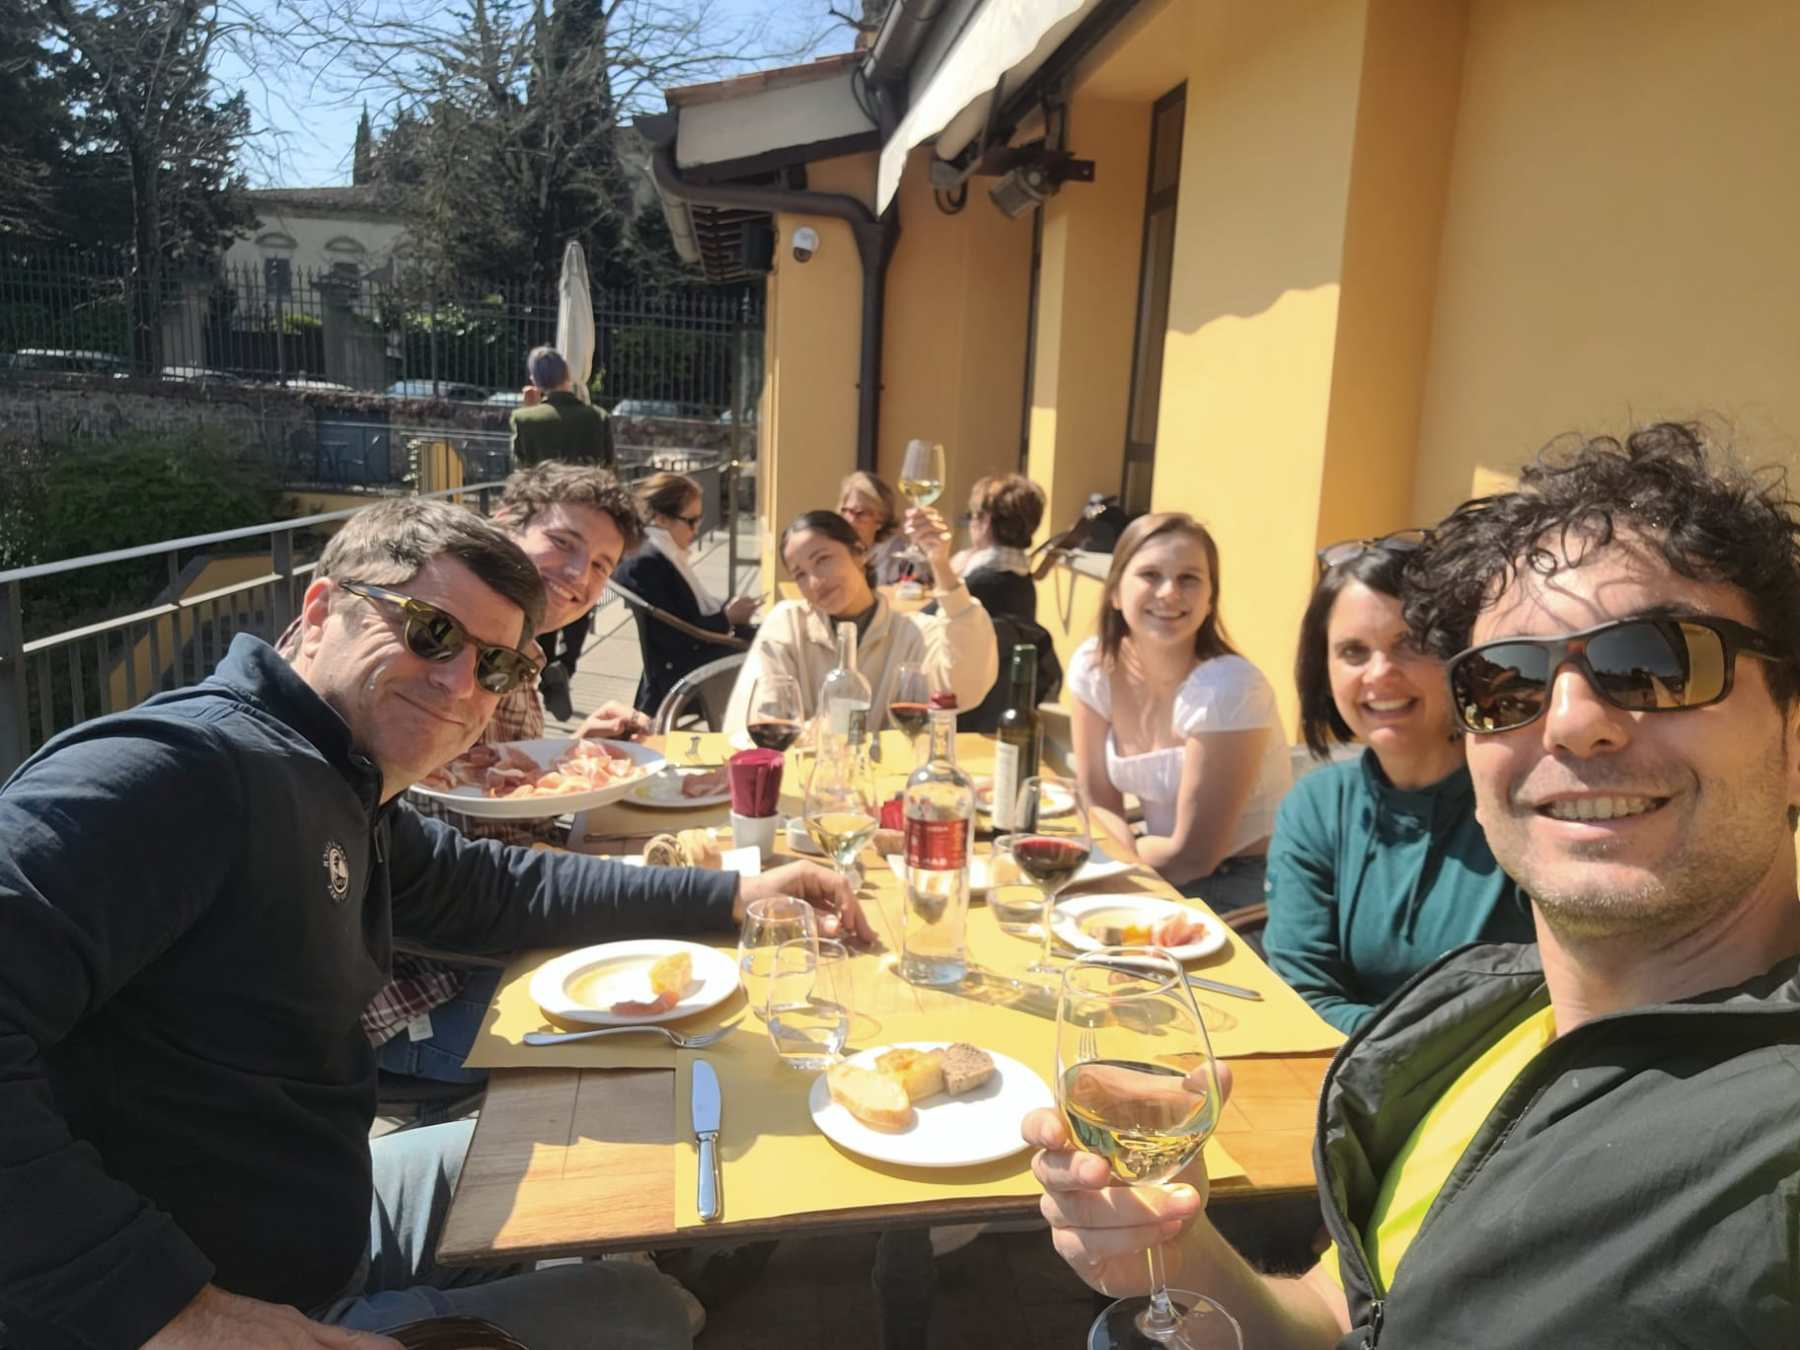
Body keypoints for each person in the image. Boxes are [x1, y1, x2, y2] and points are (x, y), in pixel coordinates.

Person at [0, 496, 871, 1348]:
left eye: (498, 667)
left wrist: (734, 897)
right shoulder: (182, 773)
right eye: (431, 632)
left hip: (320, 1213)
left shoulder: (337, 776)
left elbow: (497, 888)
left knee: (642, 1144)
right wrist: (177, 1315)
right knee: (646, 1311)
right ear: (321, 606)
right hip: (212, 1295)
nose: (460, 683)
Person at [1027, 423, 1800, 1348]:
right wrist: (1181, 1256)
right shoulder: (1468, 1031)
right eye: (1506, 683)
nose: (1573, 722)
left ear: (1794, 737)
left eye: (1657, 663)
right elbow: (1334, 1316)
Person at [359, 462, 653, 1084]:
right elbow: (448, 860)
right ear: (505, 527)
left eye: (601, 565)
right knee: (643, 1046)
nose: (578, 576)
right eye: (563, 543)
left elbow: (497, 793)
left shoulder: (524, 657)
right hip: (420, 992)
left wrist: (574, 753)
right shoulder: (440, 655)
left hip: (493, 933)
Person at [1262, 538, 1533, 1033]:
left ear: (1461, 657)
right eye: (1353, 652)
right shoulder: (1316, 807)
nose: (1380, 674)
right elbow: (1300, 992)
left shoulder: (1527, 804)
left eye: (1410, 644)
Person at [1067, 513, 1291, 908]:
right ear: (1116, 592)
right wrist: (1120, 859)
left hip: (1244, 887)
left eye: (1189, 578)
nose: (1170, 592)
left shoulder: (1229, 688)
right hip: (1152, 866)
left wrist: (1115, 865)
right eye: (1150, 575)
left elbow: (1194, 856)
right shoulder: (1094, 665)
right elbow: (1099, 803)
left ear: (1209, 600)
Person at [722, 508, 996, 735]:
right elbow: (758, 717)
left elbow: (965, 687)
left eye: (823, 559)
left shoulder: (914, 634)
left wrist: (940, 563)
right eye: (800, 575)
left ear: (859, 553)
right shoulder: (788, 623)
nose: (815, 582)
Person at [510, 346, 614, 714]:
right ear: (569, 375)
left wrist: (530, 405)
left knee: (546, 590)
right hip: (589, 519)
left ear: (536, 382)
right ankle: (566, 666)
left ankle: (545, 661)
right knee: (579, 594)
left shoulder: (526, 418)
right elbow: (609, 471)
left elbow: (520, 474)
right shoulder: (597, 417)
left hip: (544, 521)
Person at [613, 471, 760, 718]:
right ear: (660, 519)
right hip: (686, 668)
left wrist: (730, 613)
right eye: (691, 521)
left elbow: (682, 616)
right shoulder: (648, 563)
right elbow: (676, 639)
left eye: (699, 520)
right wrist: (727, 618)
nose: (696, 529)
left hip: (692, 654)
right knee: (774, 657)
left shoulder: (658, 553)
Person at [940, 472, 1061, 732]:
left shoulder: (983, 582)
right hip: (1001, 707)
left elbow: (926, 623)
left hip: (966, 709)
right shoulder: (1020, 577)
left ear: (986, 522)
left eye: (973, 515)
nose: (970, 522)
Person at [837, 469, 915, 587]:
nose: (851, 520)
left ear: (881, 520)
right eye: (846, 511)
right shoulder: (832, 548)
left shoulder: (898, 554)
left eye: (861, 513)